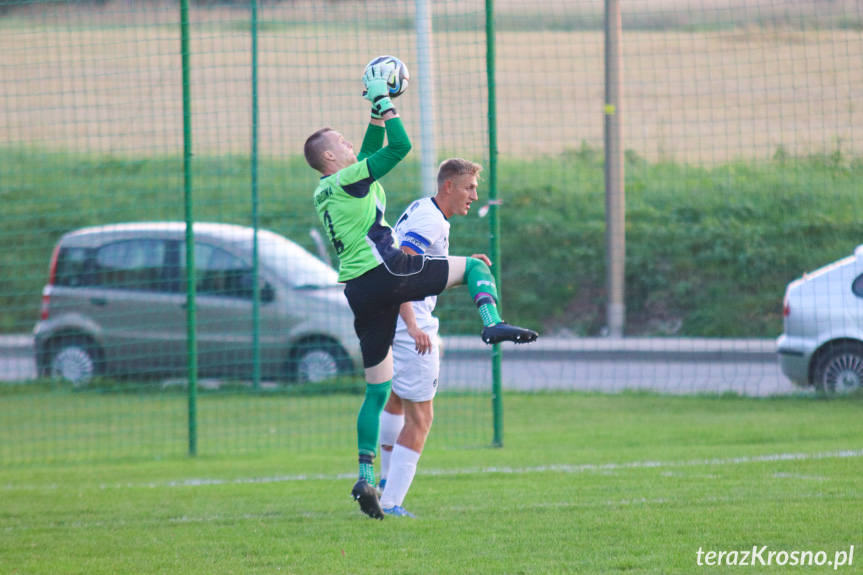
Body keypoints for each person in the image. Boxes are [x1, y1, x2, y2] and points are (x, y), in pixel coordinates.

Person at [305, 61, 538, 520]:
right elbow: (401, 147)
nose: (352, 146)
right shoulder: (350, 179)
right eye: (343, 144)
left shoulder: (329, 188)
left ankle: (366, 478)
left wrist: (374, 113)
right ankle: (491, 324)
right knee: (473, 265)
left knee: (378, 391)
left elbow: (372, 146)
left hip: (358, 290)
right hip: (387, 272)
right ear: (331, 158)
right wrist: (383, 101)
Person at [377, 158, 488, 518]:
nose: (475, 194)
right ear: (449, 187)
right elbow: (402, 271)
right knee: (421, 418)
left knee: (397, 398)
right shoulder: (429, 220)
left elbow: (422, 267)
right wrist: (412, 325)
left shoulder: (425, 210)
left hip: (391, 315)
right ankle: (391, 503)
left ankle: (383, 483)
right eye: (469, 187)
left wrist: (459, 266)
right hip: (409, 322)